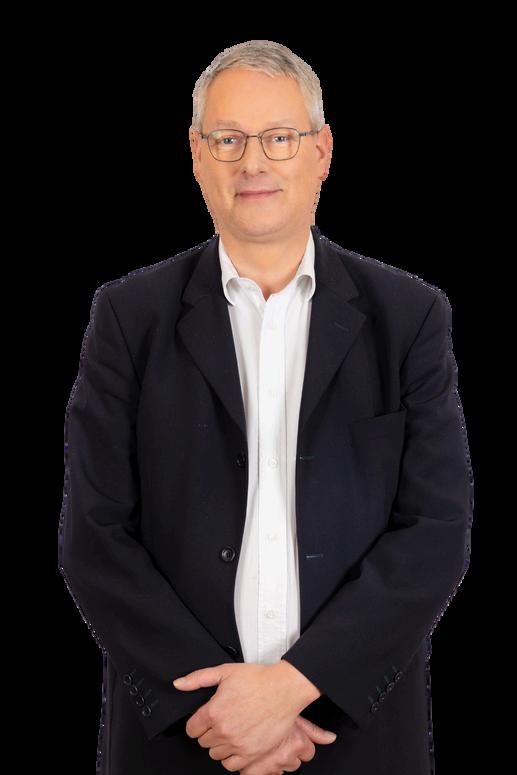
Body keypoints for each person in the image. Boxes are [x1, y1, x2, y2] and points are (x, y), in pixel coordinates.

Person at [58, 39, 473, 775]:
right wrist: (218, 711)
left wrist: (297, 686)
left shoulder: (409, 316)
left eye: (279, 137)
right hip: (180, 736)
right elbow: (95, 535)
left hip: (356, 736)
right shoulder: (127, 316)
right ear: (197, 154)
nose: (252, 162)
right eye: (228, 139)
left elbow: (435, 531)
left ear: (321, 151)